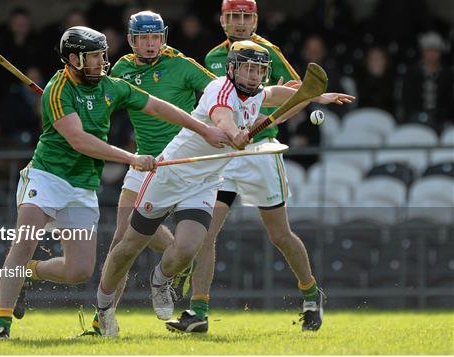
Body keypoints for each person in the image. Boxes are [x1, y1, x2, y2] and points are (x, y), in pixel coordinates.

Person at [95, 41, 353, 336]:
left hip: (204, 184)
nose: (254, 75)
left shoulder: (255, 92)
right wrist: (235, 135)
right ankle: (103, 305)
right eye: (248, 68)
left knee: (189, 248)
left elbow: (273, 94)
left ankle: (160, 278)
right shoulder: (220, 90)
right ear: (232, 68)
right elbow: (224, 120)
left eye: (259, 70)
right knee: (129, 245)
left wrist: (315, 96)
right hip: (170, 176)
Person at [0, 26, 229, 341]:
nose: (103, 61)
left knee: (79, 271)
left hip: (82, 185)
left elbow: (157, 106)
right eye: (95, 56)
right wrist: (131, 158)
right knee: (25, 240)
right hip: (46, 178)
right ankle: (2, 327)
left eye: (103, 55)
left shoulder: (111, 87)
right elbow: (79, 140)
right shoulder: (57, 90)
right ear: (74, 59)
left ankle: (31, 272)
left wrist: (203, 129)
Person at [167, 0, 353, 334]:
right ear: (222, 21)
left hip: (260, 152)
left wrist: (313, 98)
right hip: (224, 155)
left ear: (255, 21)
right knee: (206, 232)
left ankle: (311, 294)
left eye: (246, 17)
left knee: (280, 234)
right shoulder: (211, 57)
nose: (239, 23)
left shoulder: (270, 53)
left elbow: (297, 91)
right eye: (233, 17)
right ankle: (199, 311)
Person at [74, 10, 217, 336]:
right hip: (146, 164)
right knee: (122, 244)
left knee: (183, 246)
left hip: (187, 166)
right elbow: (97, 94)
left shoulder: (183, 65)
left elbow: (221, 93)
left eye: (155, 37)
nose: (150, 44)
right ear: (132, 40)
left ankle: (166, 274)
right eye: (143, 38)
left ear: (163, 37)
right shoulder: (122, 69)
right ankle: (104, 320)